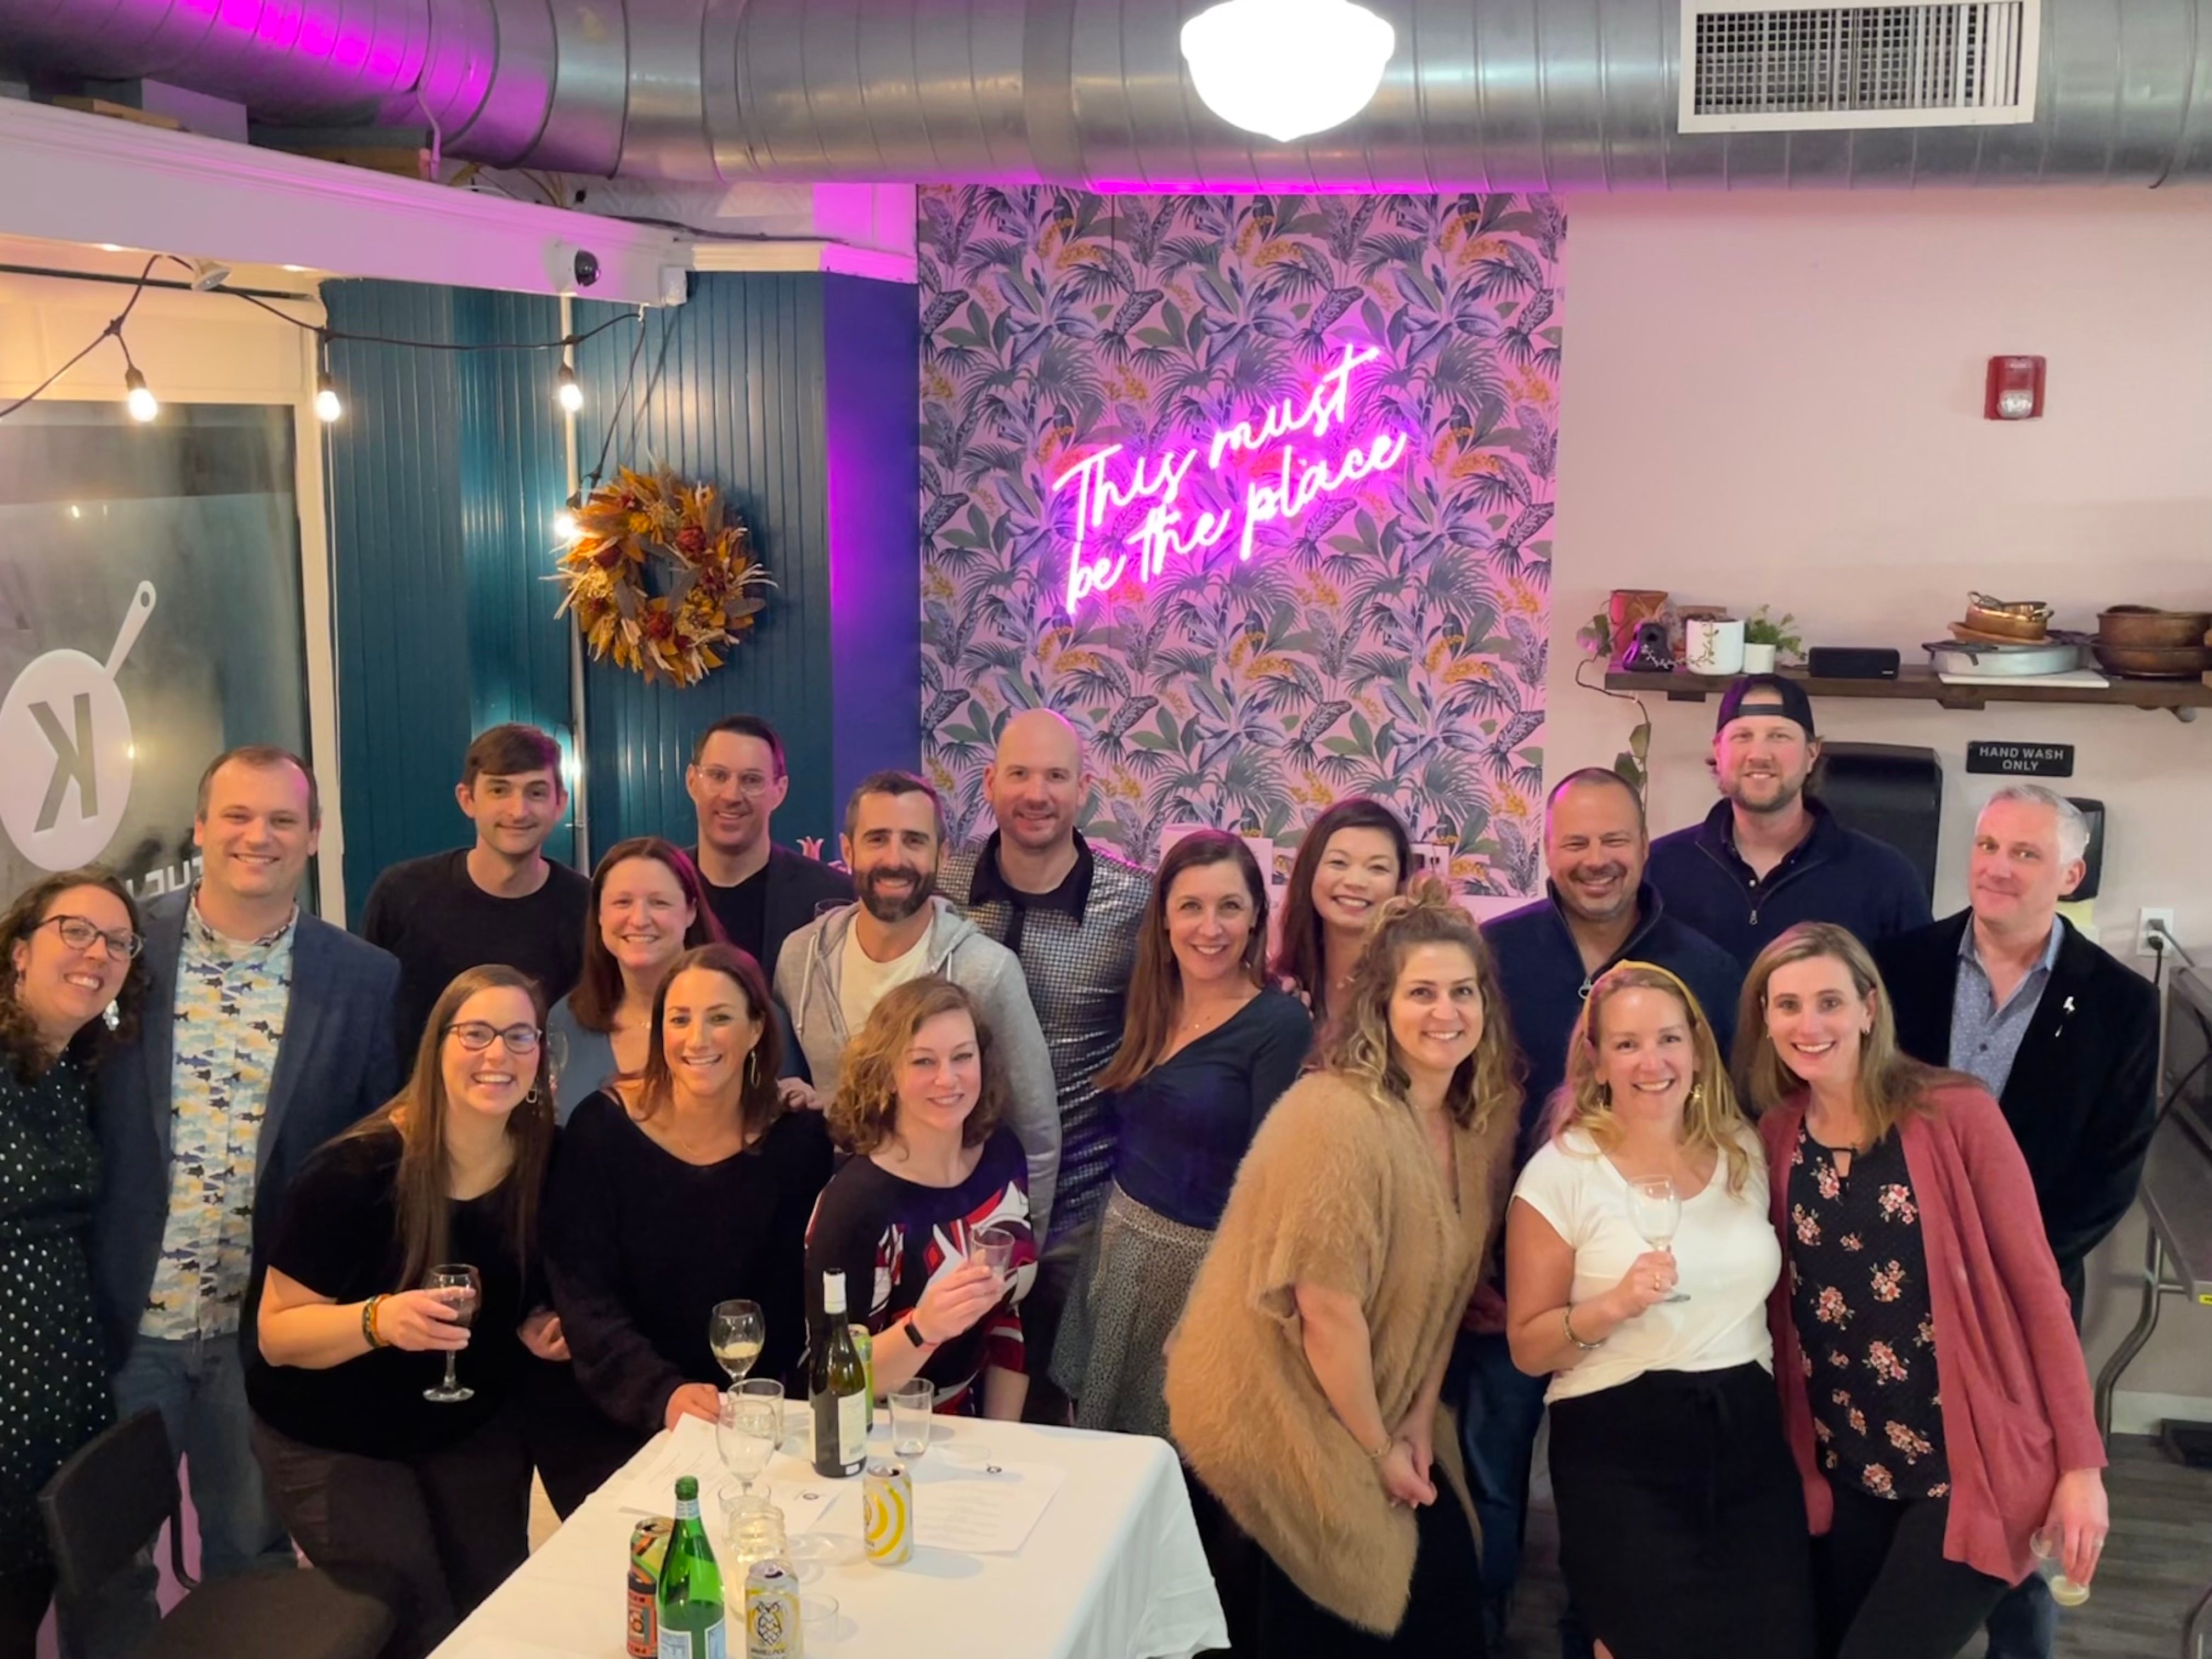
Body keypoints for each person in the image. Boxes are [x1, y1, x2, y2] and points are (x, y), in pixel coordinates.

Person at [1164, 884, 1517, 1657]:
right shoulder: (1332, 1116)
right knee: (1358, 1604)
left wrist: (1417, 1419)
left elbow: (1451, 1295)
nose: (1446, 1012)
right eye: (1421, 993)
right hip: (1282, 1408)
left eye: (1463, 992)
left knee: (1446, 1589)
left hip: (1386, 1396)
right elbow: (1327, 1313)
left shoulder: (1478, 1120)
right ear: (1380, 1005)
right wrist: (1378, 1450)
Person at [1740, 923, 2108, 1659]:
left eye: (1829, 1002)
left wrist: (2082, 1468)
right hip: (1849, 1465)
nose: (1809, 1025)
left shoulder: (1955, 1114)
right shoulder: (1777, 1135)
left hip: (1967, 1470)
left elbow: (2040, 1293)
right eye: (1788, 1006)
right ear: (1766, 1020)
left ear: (1869, 1008)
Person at [95, 747, 402, 1608]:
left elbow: (377, 1156)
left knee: (254, 1559)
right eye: (236, 815)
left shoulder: (365, 978)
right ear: (200, 827)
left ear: (313, 836)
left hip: (263, 1332)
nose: (257, 836)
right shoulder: (121, 949)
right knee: (106, 1569)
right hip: (127, 1324)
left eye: (281, 819)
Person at [1871, 785, 2158, 1659]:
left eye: (2025, 853)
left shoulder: (2119, 1002)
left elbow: (2112, 1169)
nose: (1997, 867)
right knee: (1895, 1484)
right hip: (1890, 1282)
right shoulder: (1898, 967)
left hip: (2023, 1296)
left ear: (2071, 874)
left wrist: (2006, 1265)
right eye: (1988, 845)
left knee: (2023, 1499)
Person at [1465, 768, 1744, 1639]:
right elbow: (1457, 1114)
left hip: (1645, 1294)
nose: (1596, 859)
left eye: (1615, 839)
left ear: (1645, 846)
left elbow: (1729, 1123)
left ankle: (1599, 1631)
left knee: (1616, 1496)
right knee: (1491, 1480)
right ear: (1546, 850)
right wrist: (1469, 1264)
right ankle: (1483, 1629)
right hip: (1505, 1282)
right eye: (1576, 842)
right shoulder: (1492, 958)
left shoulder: (1707, 970)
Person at [247, 966, 565, 1659]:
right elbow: (277, 1335)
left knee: (499, 1606)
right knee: (416, 1620)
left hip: (466, 1422)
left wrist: (541, 1319)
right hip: (336, 1436)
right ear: (436, 1046)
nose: (498, 1054)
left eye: (520, 1036)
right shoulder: (353, 1173)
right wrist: (378, 1321)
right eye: (475, 1034)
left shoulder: (546, 1160)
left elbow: (531, 1283)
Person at [1503, 962, 1814, 1659]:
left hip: (1747, 1435)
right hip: (1619, 1443)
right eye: (1628, 1044)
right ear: (1597, 1061)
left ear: (1697, 1049)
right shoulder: (1560, 1174)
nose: (1653, 1062)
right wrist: (1613, 1307)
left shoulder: (1742, 1150)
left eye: (1669, 1039)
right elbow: (1528, 1348)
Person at [545, 944, 834, 1495]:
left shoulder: (798, 1141)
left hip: (753, 1417)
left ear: (757, 1029)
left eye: (719, 1018)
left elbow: (798, 1299)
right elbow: (584, 1299)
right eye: (679, 1020)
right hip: (618, 1414)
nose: (697, 1039)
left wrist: (757, 1411)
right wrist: (664, 1395)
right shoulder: (601, 1131)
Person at [1050, 831, 1311, 1438]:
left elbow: (1270, 1186)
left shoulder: (1279, 1024)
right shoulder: (1151, 998)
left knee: (1177, 1453)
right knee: (1098, 1442)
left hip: (1199, 1270)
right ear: (1164, 917)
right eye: (1191, 906)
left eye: (1230, 907)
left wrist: (1213, 1307)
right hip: (1117, 1245)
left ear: (1256, 917)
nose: (1210, 928)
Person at [936, 710, 1149, 1418]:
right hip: (951, 1199)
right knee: (945, 1399)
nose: (1037, 793)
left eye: (1056, 776)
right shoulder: (942, 884)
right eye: (1020, 774)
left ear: (1084, 789)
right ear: (989, 783)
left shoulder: (1135, 903)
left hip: (1076, 1219)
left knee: (1056, 1415)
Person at [776, 771, 1061, 1235]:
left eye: (914, 840)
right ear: (848, 850)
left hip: (948, 1236)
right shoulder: (799, 958)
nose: (895, 859)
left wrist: (1024, 1247)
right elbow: (791, 1087)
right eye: (877, 839)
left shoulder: (986, 971)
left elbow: (1037, 1132)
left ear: (941, 855)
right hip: (836, 1224)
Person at [0, 871, 146, 1659]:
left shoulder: (69, 1069)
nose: (98, 953)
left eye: (118, 942)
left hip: (57, 1395)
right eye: (76, 931)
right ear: (20, 950)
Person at [804, 977, 1035, 1419]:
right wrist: (923, 1329)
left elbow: (1012, 1318)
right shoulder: (853, 1206)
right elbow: (831, 1379)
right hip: (881, 1431)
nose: (948, 1079)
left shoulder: (1002, 1154)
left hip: (979, 1426)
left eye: (963, 1056)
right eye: (923, 1061)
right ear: (887, 1075)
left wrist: (1002, 1441)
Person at [1646, 675, 1929, 964]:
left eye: (1778, 736)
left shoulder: (1886, 878)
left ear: (1811, 754)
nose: (1759, 755)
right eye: (1743, 736)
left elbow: (1920, 991)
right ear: (1718, 752)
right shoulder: (1658, 868)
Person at [361, 723, 590, 1055]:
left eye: (536, 793)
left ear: (560, 804)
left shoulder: (586, 906)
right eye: (499, 791)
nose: (518, 811)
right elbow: (366, 1021)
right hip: (418, 1090)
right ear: (467, 800)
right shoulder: (401, 894)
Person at [544, 838, 724, 1120]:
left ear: (691, 911)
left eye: (659, 903)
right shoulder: (565, 1021)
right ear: (599, 914)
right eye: (622, 902)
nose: (639, 919)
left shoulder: (746, 1014)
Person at [682, 714, 853, 982]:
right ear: (692, 781)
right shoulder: (658, 889)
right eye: (718, 776)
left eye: (751, 780)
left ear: (779, 790)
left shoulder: (834, 896)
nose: (731, 796)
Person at [1272, 796, 1412, 1028]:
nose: (1355, 881)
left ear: (1400, 883)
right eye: (1338, 863)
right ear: (1310, 872)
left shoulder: (1415, 984)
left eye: (1378, 868)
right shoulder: (1283, 986)